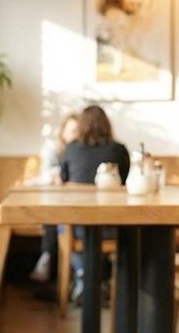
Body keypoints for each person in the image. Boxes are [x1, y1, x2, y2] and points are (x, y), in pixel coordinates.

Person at [59, 105, 130, 300]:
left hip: (77, 227)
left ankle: (83, 275)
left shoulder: (71, 148)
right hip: (113, 228)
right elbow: (124, 183)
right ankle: (105, 281)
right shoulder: (118, 150)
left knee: (61, 225)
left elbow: (63, 179)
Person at [29, 113, 81, 282]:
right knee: (56, 221)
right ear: (63, 132)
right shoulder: (54, 149)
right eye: (72, 130)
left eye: (79, 131)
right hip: (57, 203)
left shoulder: (83, 151)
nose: (76, 135)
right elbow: (48, 174)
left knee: (66, 225)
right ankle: (52, 260)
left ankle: (50, 261)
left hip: (76, 205)